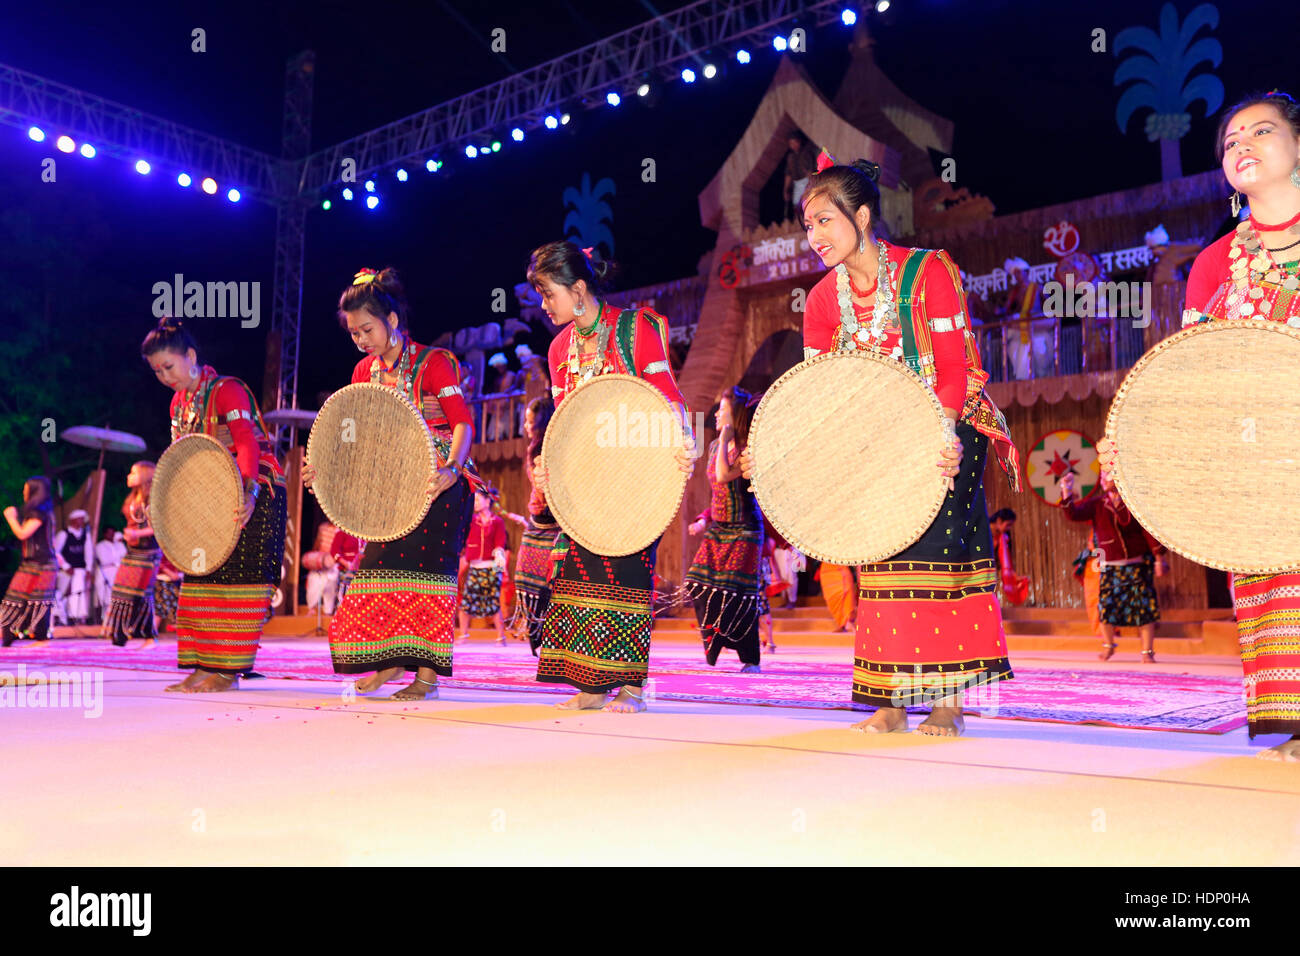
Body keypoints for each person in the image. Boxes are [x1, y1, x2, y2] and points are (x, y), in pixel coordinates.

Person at [746, 152, 1021, 736]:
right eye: (807, 224)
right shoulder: (821, 302)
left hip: (946, 427)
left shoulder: (929, 272)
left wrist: (938, 431)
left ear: (863, 215)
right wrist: (780, 451)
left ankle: (949, 702)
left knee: (942, 561)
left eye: (825, 220)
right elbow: (823, 392)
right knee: (879, 559)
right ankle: (890, 701)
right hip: (874, 443)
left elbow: (952, 367)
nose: (814, 236)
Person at [1101, 90, 1300, 760]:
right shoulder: (1214, 266)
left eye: (1261, 132)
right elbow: (1193, 376)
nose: (1241, 145)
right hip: (1261, 464)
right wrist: (1140, 435)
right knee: (1277, 586)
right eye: (1230, 141)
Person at [528, 241, 695, 713]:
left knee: (625, 574)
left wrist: (684, 440)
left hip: (639, 475)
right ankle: (592, 683)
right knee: (583, 575)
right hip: (586, 481)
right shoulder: (560, 347)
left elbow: (668, 398)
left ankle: (631, 687)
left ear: (578, 290)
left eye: (549, 294)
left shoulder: (634, 328)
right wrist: (549, 465)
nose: (545, 306)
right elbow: (565, 419)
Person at [305, 268, 475, 702]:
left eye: (366, 328)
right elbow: (356, 436)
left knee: (431, 578)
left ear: (393, 320)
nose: (360, 339)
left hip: (441, 485)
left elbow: (463, 424)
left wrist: (452, 469)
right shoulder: (364, 371)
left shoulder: (436, 363)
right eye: (353, 332)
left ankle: (426, 677)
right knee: (376, 574)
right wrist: (327, 468)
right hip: (391, 491)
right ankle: (388, 661)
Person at [142, 317, 288, 692]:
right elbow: (182, 458)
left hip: (253, 489)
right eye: (157, 371)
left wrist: (248, 493)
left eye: (168, 366)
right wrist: (161, 504)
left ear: (190, 356)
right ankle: (203, 665)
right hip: (210, 500)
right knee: (200, 575)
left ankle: (228, 670)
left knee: (235, 580)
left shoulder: (226, 390)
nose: (164, 376)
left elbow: (248, 443)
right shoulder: (179, 403)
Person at [683, 387, 765, 672]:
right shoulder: (717, 446)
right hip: (718, 528)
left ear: (736, 414)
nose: (717, 414)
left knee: (739, 596)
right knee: (696, 584)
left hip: (745, 530)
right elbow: (716, 491)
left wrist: (727, 436)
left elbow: (723, 475)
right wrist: (705, 517)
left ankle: (750, 658)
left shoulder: (749, 448)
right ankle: (716, 643)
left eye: (723, 409)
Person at [1056, 471, 1166, 661]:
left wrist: (1158, 558)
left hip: (1136, 565)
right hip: (1110, 566)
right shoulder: (1098, 504)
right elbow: (1073, 514)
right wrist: (1065, 489)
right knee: (1106, 609)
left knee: (1144, 609)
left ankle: (1147, 652)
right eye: (1102, 475)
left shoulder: (1135, 502)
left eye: (1107, 475)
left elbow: (1149, 531)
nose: (1103, 479)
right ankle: (1108, 647)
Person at [510, 397, 560, 654]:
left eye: (530, 421)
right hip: (536, 523)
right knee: (525, 581)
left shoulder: (552, 448)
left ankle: (551, 639)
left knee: (552, 585)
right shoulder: (534, 447)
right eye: (526, 421)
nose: (527, 426)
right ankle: (537, 638)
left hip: (557, 526)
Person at [103, 460, 162, 648]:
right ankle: (119, 634)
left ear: (145, 476)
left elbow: (159, 528)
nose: (129, 476)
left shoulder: (153, 499)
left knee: (142, 594)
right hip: (133, 551)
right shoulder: (132, 499)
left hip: (149, 552)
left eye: (133, 473)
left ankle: (150, 637)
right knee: (121, 590)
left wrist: (137, 533)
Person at [1, 476, 58, 646]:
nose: (23, 492)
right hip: (35, 562)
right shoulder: (43, 511)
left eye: (25, 489)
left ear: (34, 491)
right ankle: (11, 637)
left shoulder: (39, 512)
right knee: (15, 599)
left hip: (42, 562)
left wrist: (11, 518)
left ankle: (40, 638)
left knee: (38, 601)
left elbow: (23, 534)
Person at [457, 489, 508, 645]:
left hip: (491, 567)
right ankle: (463, 635)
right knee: (466, 602)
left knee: (493, 602)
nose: (476, 503)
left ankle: (501, 637)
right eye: (475, 500)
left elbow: (500, 544)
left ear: (488, 501)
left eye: (479, 500)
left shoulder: (497, 521)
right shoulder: (471, 520)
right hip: (474, 567)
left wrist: (500, 568)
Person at [54, 508, 91, 625]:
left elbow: (89, 552)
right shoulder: (64, 534)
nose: (81, 522)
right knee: (65, 594)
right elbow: (56, 552)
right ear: (73, 520)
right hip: (67, 571)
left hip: (80, 569)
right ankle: (64, 618)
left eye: (82, 519)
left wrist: (89, 569)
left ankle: (78, 617)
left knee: (79, 593)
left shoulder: (85, 534)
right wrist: (65, 566)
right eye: (79, 519)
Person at [989, 508, 1029, 606]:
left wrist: (1015, 578)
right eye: (1008, 525)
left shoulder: (1005, 536)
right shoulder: (982, 530)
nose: (1009, 528)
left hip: (989, 574)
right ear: (998, 521)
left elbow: (1006, 561)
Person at [301, 520, 341, 616]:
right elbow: (317, 544)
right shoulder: (322, 527)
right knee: (313, 584)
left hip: (333, 564)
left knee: (330, 590)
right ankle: (312, 608)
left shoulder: (340, 530)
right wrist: (315, 558)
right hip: (320, 562)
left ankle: (328, 612)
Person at [783, 132, 821, 221]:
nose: (793, 145)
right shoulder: (790, 157)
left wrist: (811, 184)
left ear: (799, 142)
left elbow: (810, 171)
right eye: (791, 143)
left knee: (807, 203)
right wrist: (786, 189)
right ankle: (798, 222)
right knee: (796, 205)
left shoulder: (806, 153)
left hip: (807, 181)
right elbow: (788, 174)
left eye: (794, 142)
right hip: (797, 183)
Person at [93, 527, 125, 620]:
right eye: (109, 533)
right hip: (106, 573)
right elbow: (104, 560)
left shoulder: (119, 545)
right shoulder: (100, 546)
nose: (111, 535)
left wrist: (116, 562)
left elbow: (125, 557)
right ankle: (105, 619)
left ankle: (117, 618)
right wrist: (117, 561)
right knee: (106, 597)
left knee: (119, 597)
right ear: (105, 534)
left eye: (113, 533)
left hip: (119, 573)